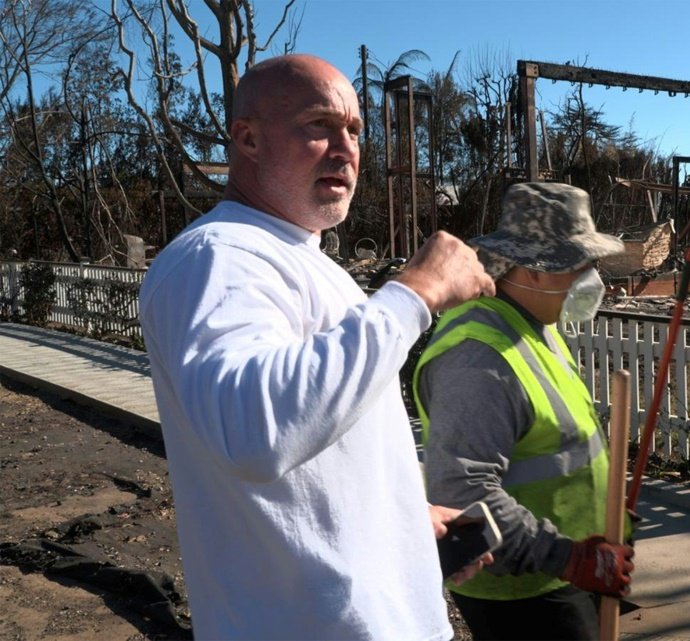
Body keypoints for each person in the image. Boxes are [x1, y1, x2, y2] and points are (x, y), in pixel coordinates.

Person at [138, 54, 494, 641]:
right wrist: (417, 291)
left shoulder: (301, 259)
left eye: (354, 130)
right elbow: (256, 428)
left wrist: (405, 516)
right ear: (247, 139)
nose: (346, 148)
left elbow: (323, 442)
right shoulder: (219, 257)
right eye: (318, 125)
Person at [414, 182, 636, 641]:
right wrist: (569, 558)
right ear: (533, 270)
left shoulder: (531, 323)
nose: (592, 278)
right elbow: (462, 489)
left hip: (566, 572)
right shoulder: (479, 359)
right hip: (525, 593)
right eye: (579, 265)